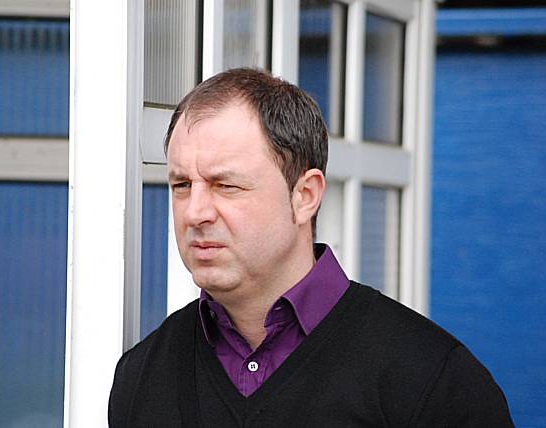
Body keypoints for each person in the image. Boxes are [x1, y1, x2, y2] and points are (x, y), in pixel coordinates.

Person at [108, 68, 513, 427]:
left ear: (305, 195)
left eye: (225, 185)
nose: (194, 212)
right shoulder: (141, 374)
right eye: (182, 185)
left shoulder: (432, 380)